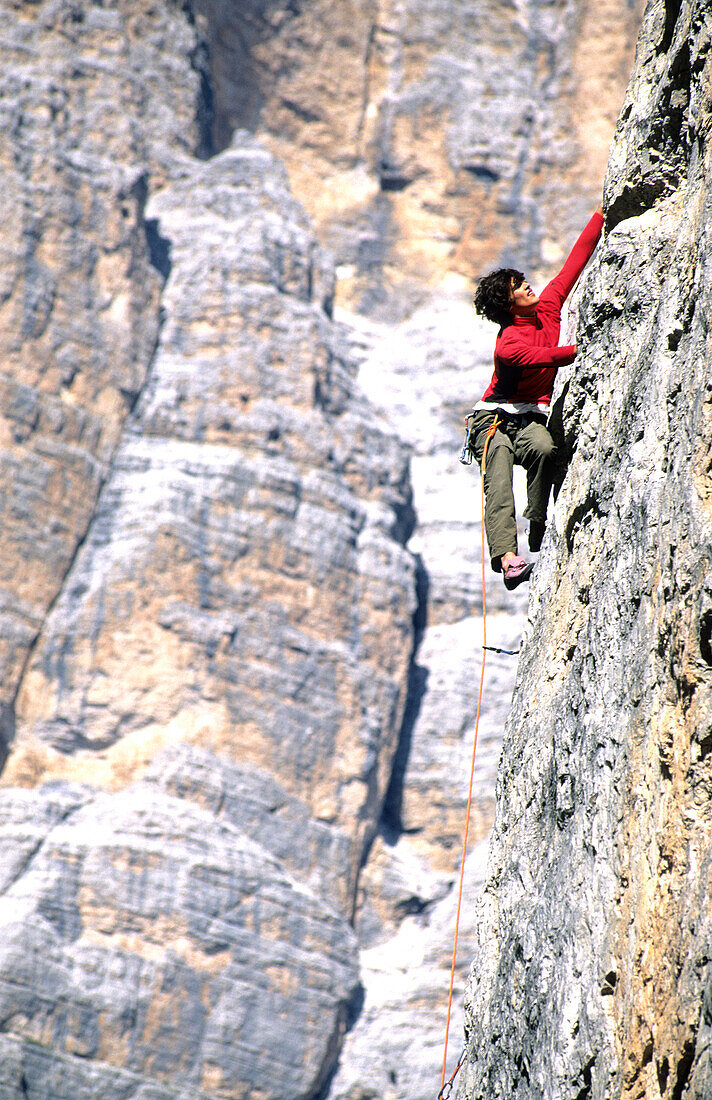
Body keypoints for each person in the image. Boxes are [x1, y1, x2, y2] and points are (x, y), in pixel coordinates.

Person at [469, 207, 604, 590]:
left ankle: (538, 519)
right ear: (508, 304)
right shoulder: (509, 343)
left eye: (523, 281)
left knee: (544, 449)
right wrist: (580, 348)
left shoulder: (548, 308)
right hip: (493, 420)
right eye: (518, 287)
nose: (528, 286)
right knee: (497, 474)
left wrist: (600, 214)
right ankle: (509, 559)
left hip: (529, 418)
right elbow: (541, 357)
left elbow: (571, 266)